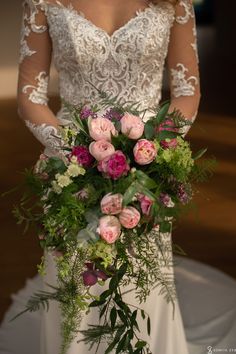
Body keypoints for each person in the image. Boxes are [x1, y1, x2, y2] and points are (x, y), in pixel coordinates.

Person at [0, 1, 236, 354]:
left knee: (142, 290)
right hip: (71, 170)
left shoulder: (176, 3)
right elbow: (29, 98)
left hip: (145, 171)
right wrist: (76, 156)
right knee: (75, 290)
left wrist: (148, 153)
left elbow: (187, 92)